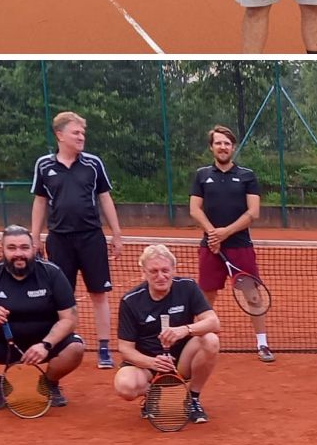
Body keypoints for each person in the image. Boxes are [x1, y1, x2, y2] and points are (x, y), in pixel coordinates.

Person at [0, 225, 85, 410]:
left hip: (43, 342)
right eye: (11, 248)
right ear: (2, 250)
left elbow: (69, 319)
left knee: (76, 348)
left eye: (24, 247)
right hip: (2, 344)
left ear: (34, 248)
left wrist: (46, 345)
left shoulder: (52, 274)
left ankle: (50, 384)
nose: (18, 253)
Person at [29, 110, 123, 369]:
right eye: (76, 132)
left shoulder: (93, 164)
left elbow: (105, 198)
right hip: (59, 240)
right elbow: (39, 201)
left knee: (99, 294)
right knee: (61, 296)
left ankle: (104, 348)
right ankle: (60, 344)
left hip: (92, 238)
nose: (82, 137)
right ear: (60, 135)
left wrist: (116, 234)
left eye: (83, 133)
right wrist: (34, 238)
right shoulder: (44, 165)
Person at [188, 124, 274, 363]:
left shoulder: (247, 175)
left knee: (253, 297)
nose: (223, 147)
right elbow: (195, 209)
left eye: (227, 143)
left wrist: (225, 233)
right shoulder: (202, 175)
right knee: (206, 299)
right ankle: (201, 342)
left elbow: (253, 212)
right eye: (218, 143)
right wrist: (212, 234)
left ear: (233, 147)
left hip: (240, 246)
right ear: (211, 147)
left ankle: (262, 344)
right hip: (210, 248)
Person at [114, 244, 220, 424]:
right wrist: (152, 362)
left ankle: (193, 399)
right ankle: (151, 393)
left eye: (165, 270)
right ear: (144, 273)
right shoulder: (130, 301)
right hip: (147, 366)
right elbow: (125, 349)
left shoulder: (188, 287)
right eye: (153, 271)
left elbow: (213, 322)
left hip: (181, 362)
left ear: (173, 270)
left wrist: (184, 330)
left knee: (211, 340)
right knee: (125, 386)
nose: (160, 276)